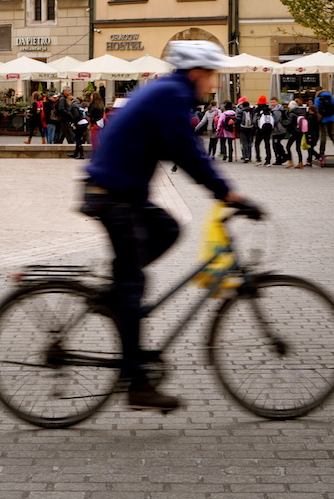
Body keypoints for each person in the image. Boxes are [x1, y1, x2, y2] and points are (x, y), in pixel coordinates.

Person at [81, 40, 258, 412]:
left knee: (168, 228)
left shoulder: (169, 94)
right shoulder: (169, 96)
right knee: (133, 286)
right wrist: (228, 195)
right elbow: (188, 153)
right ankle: (137, 383)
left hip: (121, 192)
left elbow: (177, 147)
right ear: (196, 72)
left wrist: (219, 190)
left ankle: (118, 294)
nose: (214, 84)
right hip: (113, 196)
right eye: (211, 76)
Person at [315, 88, 334, 167]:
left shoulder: (318, 98)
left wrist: (318, 118)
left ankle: (322, 153)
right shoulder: (331, 97)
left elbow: (316, 108)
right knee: (333, 135)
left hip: (323, 119)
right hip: (332, 118)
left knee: (323, 135)